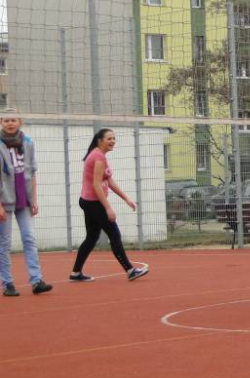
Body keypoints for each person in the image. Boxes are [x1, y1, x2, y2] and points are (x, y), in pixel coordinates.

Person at [69, 128, 148, 282]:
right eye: (109, 139)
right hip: (93, 203)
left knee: (91, 238)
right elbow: (96, 185)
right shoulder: (98, 157)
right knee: (114, 234)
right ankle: (130, 270)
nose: (112, 141)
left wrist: (126, 198)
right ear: (100, 140)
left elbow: (109, 181)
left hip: (88, 202)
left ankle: (76, 273)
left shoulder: (99, 155)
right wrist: (108, 208)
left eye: (113, 138)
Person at [0, 110, 52, 296]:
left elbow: (32, 172)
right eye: (6, 120)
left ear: (19, 122)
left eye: (13, 120)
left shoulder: (28, 142)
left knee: (29, 238)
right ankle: (7, 283)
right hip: (4, 199)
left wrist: (34, 200)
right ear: (1, 122)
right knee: (4, 243)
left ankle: (36, 281)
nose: (10, 123)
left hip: (24, 198)